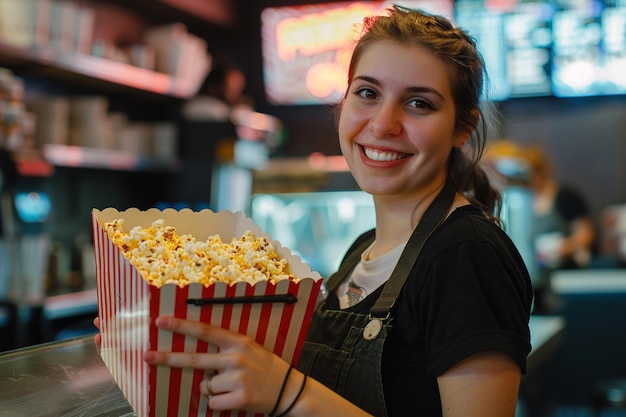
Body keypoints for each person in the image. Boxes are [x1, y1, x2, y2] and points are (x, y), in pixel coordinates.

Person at [97, 6, 533, 416]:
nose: (382, 124)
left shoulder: (466, 255)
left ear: (463, 129)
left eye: (419, 103)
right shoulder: (363, 251)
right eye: (367, 93)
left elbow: (298, 395)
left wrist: (290, 392)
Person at [521, 144, 596, 312]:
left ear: (541, 172)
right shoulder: (522, 202)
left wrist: (563, 248)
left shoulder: (565, 197)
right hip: (537, 279)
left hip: (566, 277)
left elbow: (586, 234)